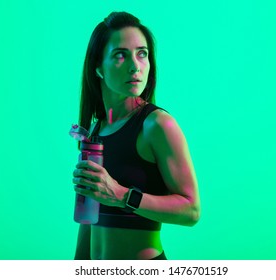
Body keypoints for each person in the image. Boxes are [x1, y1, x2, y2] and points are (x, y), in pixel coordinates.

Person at [72, 11, 200, 260]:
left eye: (142, 54)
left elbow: (191, 210)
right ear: (98, 67)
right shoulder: (97, 129)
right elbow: (88, 219)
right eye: (121, 55)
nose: (135, 66)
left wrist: (121, 195)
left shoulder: (157, 125)